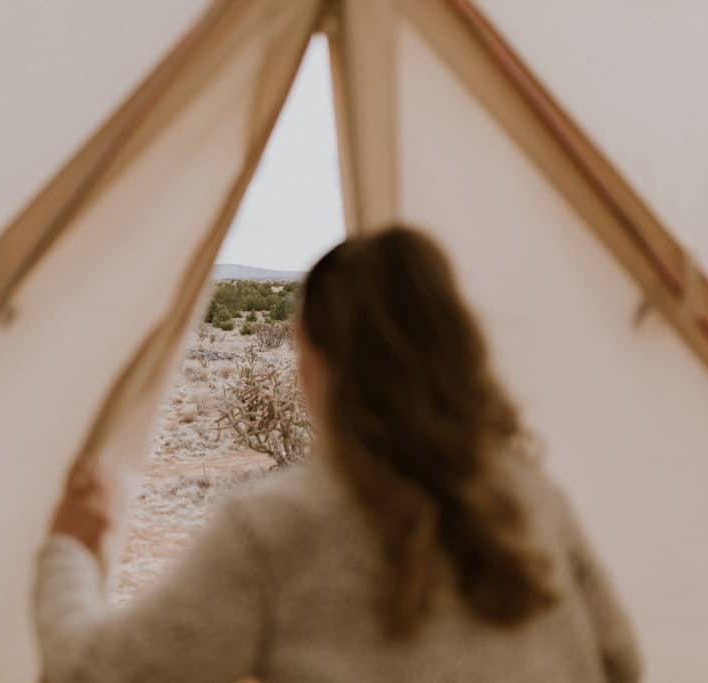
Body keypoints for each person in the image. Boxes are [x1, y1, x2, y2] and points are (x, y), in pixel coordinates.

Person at [34, 225, 641, 682]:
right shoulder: (531, 498)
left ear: (318, 363)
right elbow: (622, 663)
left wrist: (71, 548)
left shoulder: (279, 530)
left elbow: (91, 674)